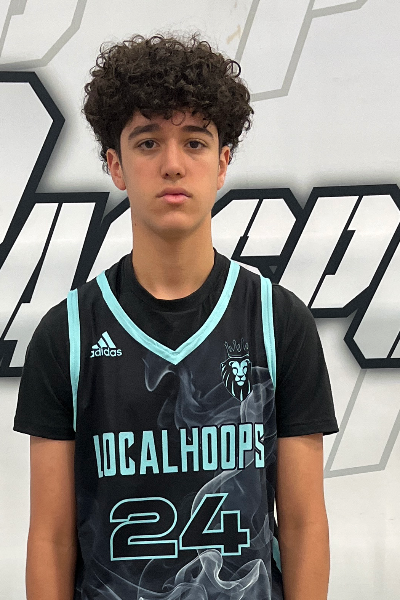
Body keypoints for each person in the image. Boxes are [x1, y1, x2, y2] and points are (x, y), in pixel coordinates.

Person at [14, 33, 338, 600]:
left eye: (194, 142)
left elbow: (304, 525)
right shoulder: (66, 334)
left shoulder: (277, 321)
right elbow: (51, 538)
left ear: (222, 163)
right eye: (147, 143)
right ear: (115, 165)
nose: (172, 164)